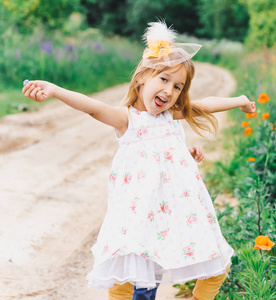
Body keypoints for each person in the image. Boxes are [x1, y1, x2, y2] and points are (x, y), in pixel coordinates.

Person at [22, 21, 255, 300]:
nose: (169, 91)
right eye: (164, 79)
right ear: (143, 77)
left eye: (178, 87)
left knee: (214, 266)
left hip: (173, 215)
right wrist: (55, 90)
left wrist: (238, 102)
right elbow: (93, 108)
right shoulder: (128, 119)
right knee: (130, 281)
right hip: (138, 220)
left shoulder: (171, 117)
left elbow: (205, 106)